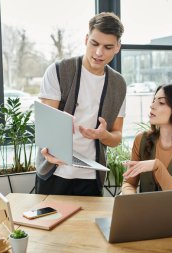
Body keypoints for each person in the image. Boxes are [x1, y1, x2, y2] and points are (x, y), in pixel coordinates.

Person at [35, 12, 126, 196]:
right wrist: (48, 144)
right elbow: (45, 125)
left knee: (89, 226)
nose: (99, 53)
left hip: (91, 177)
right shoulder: (59, 71)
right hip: (55, 171)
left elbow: (116, 137)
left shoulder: (119, 84)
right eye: (94, 43)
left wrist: (103, 135)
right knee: (47, 224)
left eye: (108, 47)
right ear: (86, 39)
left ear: (117, 47)